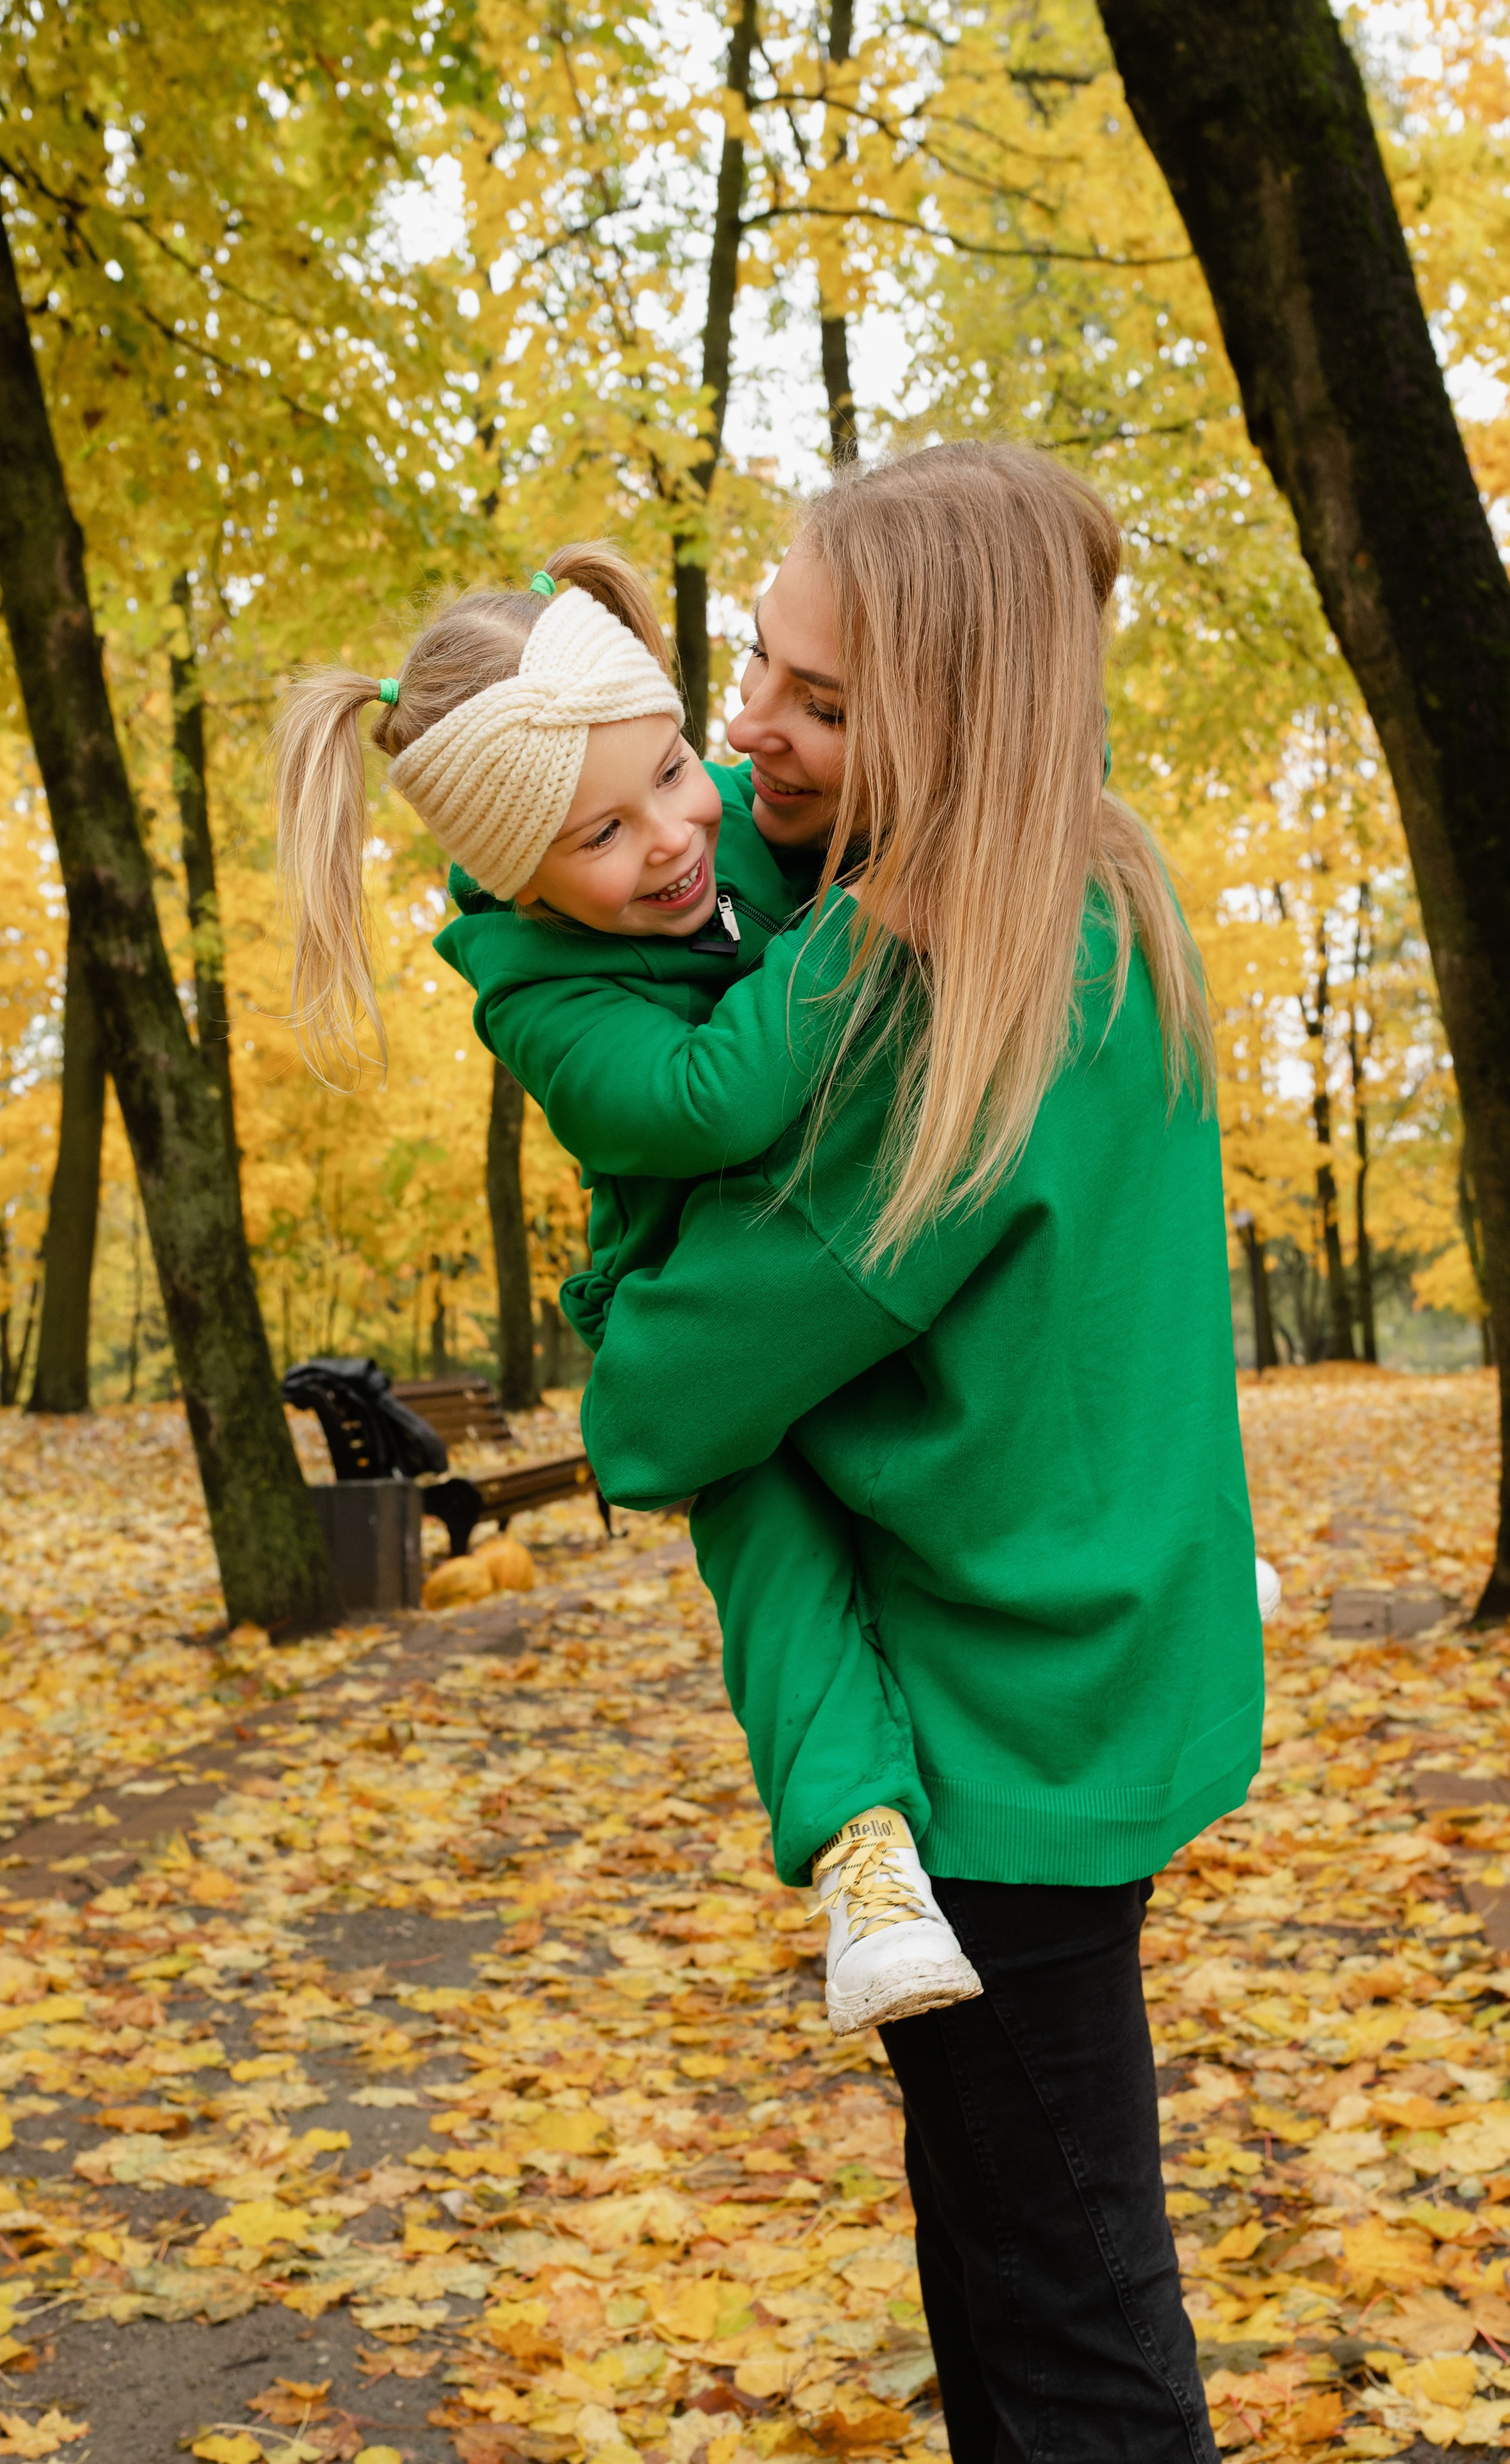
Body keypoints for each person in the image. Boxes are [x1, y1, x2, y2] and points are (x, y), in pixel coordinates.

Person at [579, 441, 1263, 2461]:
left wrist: (626, 1288)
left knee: (1069, 2351)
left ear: (952, 721)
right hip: (1083, 1682)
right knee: (1013, 2280)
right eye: (756, 662)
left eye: (821, 700)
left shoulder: (929, 1004)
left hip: (988, 1751)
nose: (748, 724)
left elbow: (660, 1403)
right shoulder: (1100, 892)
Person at [270, 543, 983, 2037]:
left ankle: (1128, 1551)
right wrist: (860, 921)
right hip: (693, 1297)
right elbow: (710, 1103)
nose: (673, 835)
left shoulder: (721, 831)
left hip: (836, 1237)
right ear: (523, 875)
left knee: (990, 1288)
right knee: (780, 1560)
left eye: (670, 771)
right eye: (603, 833)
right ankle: (864, 1864)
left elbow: (905, 811)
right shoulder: (537, 995)